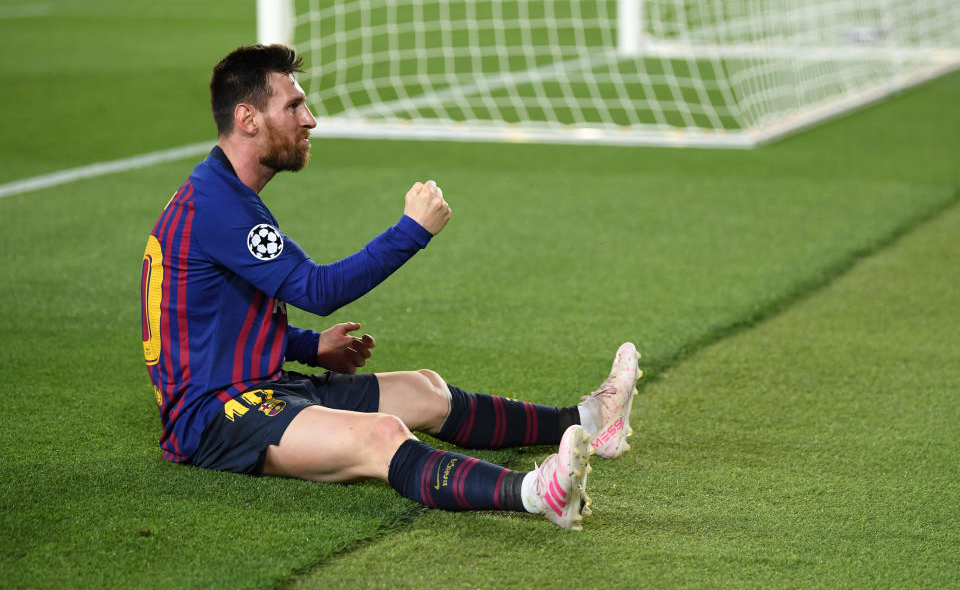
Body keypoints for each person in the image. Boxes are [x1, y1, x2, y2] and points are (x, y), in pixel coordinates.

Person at [139, 44, 642, 530]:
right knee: (381, 437)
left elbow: (211, 320)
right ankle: (537, 493)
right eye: (293, 105)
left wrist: (313, 347)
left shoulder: (218, 193)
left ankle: (591, 419)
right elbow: (315, 290)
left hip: (256, 384)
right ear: (248, 119)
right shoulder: (220, 208)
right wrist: (412, 232)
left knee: (422, 389)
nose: (309, 119)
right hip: (216, 416)